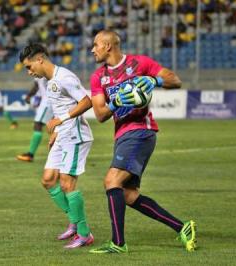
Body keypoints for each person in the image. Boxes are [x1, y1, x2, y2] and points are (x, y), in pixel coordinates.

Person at [88, 30, 196, 254]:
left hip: (140, 131)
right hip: (122, 136)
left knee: (111, 180)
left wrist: (154, 80)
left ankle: (118, 244)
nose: (92, 49)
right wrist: (115, 102)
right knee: (128, 195)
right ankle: (182, 227)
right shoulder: (98, 77)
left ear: (108, 46)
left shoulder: (141, 63)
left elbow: (175, 80)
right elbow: (99, 114)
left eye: (96, 45)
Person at [19, 43, 94, 248]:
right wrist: (56, 131)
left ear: (39, 59)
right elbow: (60, 108)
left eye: (29, 66)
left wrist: (62, 120)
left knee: (67, 183)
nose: (29, 71)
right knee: (48, 179)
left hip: (76, 135)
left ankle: (84, 233)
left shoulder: (65, 77)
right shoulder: (51, 80)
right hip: (62, 135)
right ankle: (74, 222)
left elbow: (87, 102)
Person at [17, 77, 53, 162]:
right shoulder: (37, 73)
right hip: (46, 101)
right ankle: (60, 153)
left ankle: (30, 154)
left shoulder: (44, 72)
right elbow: (37, 85)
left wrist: (30, 96)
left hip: (48, 102)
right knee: (52, 127)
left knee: (38, 124)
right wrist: (30, 96)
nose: (29, 72)